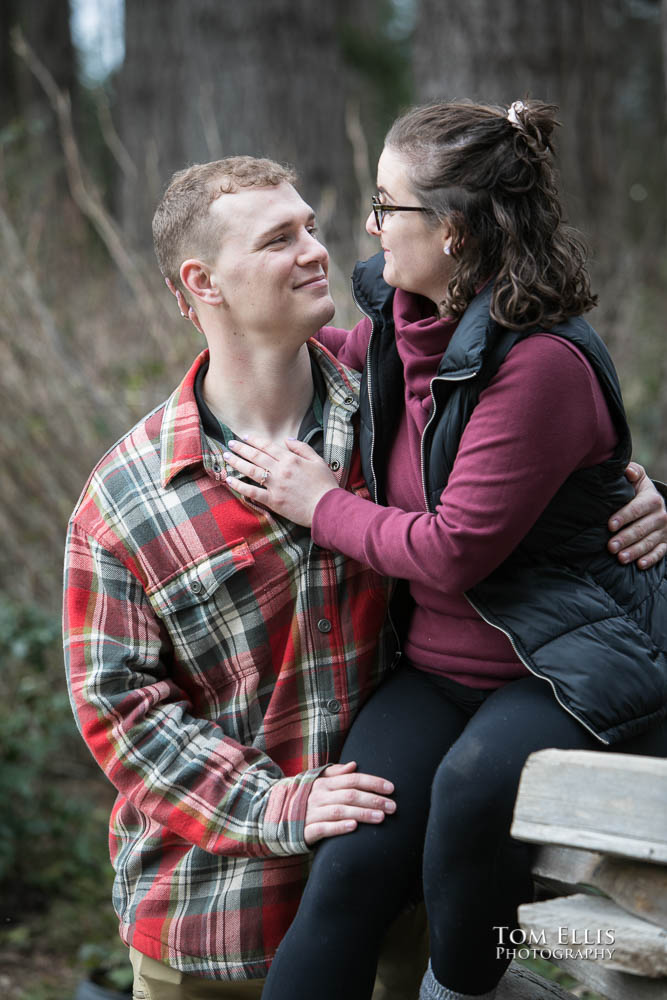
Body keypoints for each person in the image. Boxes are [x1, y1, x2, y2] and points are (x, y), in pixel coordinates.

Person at [220, 101, 667, 1000]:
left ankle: (461, 988)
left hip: (560, 668)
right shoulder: (397, 325)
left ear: (454, 231)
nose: (370, 225)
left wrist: (320, 504)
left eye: (388, 206)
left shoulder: (536, 363)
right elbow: (326, 367)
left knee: (468, 795)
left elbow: (455, 548)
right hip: (439, 667)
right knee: (349, 865)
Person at [63, 155, 408, 1000]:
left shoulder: (399, 421)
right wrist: (279, 807)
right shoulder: (127, 499)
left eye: (311, 228)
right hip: (209, 927)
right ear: (203, 281)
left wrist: (640, 503)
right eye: (278, 239)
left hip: (392, 918)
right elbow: (120, 713)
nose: (315, 252)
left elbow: (510, 509)